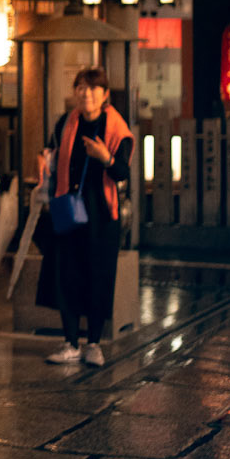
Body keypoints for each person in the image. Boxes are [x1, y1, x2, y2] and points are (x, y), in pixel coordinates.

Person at [37, 66, 134, 369]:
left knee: (99, 276)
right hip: (68, 210)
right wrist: (44, 159)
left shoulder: (118, 128)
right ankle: (70, 343)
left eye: (93, 89)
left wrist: (104, 156)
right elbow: (51, 151)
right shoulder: (66, 122)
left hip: (102, 213)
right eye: (81, 88)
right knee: (67, 275)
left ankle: (93, 343)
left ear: (105, 95)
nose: (86, 94)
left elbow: (122, 171)